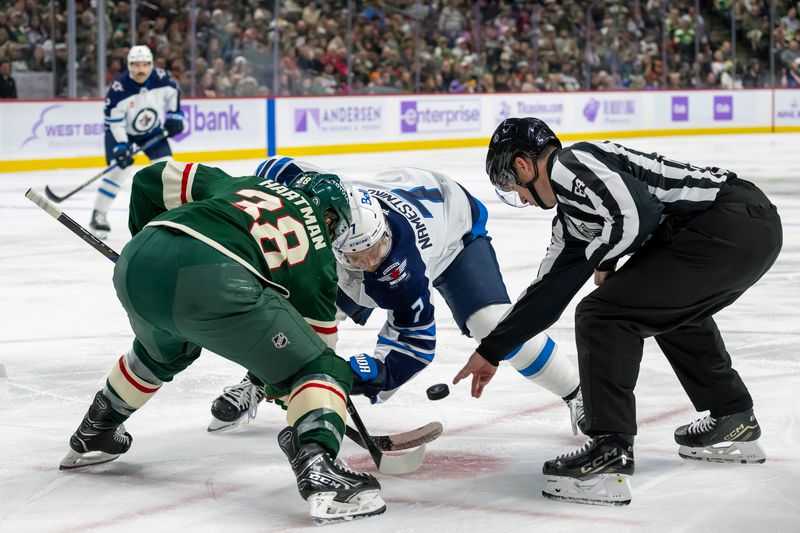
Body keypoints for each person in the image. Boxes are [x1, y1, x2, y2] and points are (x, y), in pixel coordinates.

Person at [453, 117, 782, 505]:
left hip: (728, 221)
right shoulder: (573, 221)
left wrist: (604, 264)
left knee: (601, 314)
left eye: (510, 185)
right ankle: (733, 418)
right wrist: (491, 350)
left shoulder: (572, 163)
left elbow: (638, 213)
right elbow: (545, 295)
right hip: (747, 229)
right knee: (661, 308)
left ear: (523, 166)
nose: (521, 198)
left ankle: (609, 451)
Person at [60, 161, 386, 524]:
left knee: (164, 351)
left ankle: (97, 428)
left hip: (139, 261)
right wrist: (293, 397)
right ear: (330, 218)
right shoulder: (319, 257)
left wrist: (146, 245)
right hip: (213, 279)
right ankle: (320, 468)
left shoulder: (245, 183)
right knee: (322, 369)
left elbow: (150, 179)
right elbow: (314, 356)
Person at [208, 156, 582, 435]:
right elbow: (276, 167)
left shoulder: (403, 267)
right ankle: (259, 380)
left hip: (453, 227)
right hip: (396, 193)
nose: (373, 262)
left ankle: (578, 393)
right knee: (304, 312)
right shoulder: (330, 207)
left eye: (377, 248)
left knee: (493, 323)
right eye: (361, 256)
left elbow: (415, 344)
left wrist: (365, 376)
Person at [91, 45, 184, 238]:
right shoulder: (118, 89)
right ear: (129, 66)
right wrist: (122, 146)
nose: (141, 69)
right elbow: (115, 124)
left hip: (152, 132)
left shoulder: (163, 79)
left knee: (167, 171)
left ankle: (173, 216)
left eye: (145, 64)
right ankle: (99, 214)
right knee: (119, 170)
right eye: (136, 65)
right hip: (123, 133)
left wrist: (175, 117)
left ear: (151, 64)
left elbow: (174, 94)